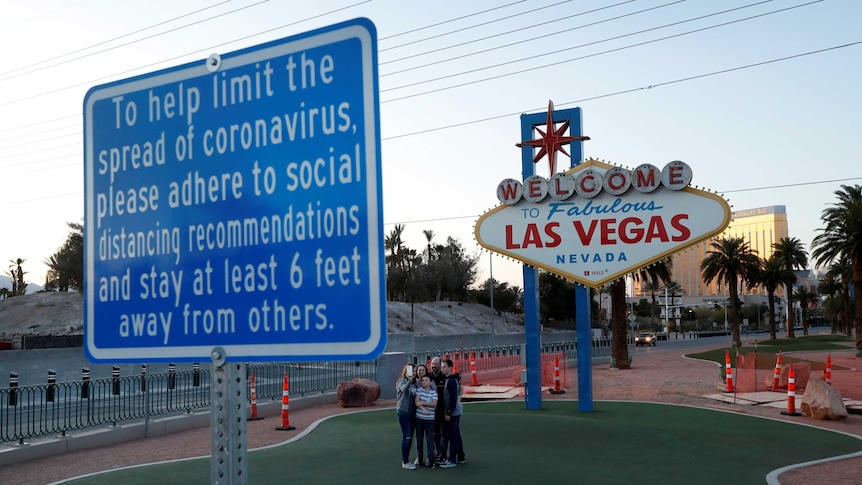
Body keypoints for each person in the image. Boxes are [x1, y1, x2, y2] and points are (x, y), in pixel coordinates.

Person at [438, 359, 463, 468]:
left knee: (452, 435)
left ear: (450, 367)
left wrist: (448, 412)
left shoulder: (451, 381)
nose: (442, 369)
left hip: (453, 412)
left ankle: (452, 459)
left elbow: (452, 398)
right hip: (454, 411)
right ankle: (461, 456)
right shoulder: (450, 379)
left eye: (444, 367)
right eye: (442, 367)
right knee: (456, 434)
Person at [396, 363, 418, 470]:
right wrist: (409, 380)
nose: (413, 373)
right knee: (407, 436)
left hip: (413, 413)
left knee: (411, 436)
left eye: (414, 371)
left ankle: (409, 459)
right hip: (403, 412)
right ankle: (405, 461)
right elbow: (404, 389)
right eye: (411, 371)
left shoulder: (416, 383)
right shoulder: (401, 381)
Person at [414, 373, 437, 468]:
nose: (424, 382)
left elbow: (434, 404)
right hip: (419, 419)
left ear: (430, 382)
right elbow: (416, 402)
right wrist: (424, 409)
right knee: (419, 439)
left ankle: (431, 460)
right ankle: (419, 459)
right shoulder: (419, 390)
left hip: (430, 420)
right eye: (423, 380)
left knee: (430, 440)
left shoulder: (433, 392)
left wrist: (422, 403)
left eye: (426, 380)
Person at [429, 356, 446, 462]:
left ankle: (444, 454)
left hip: (442, 410)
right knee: (435, 433)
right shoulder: (429, 377)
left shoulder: (444, 377)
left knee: (444, 433)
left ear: (440, 365)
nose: (434, 366)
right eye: (432, 364)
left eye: (436, 364)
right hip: (432, 411)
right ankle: (439, 453)